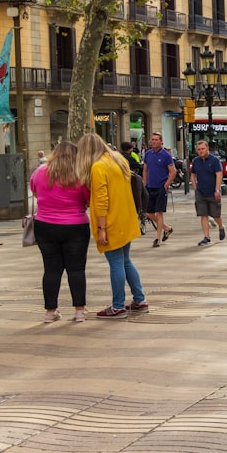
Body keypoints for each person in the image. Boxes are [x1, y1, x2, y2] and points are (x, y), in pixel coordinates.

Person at [76, 133, 147, 319]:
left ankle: (118, 306)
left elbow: (101, 200)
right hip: (126, 217)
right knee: (125, 260)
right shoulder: (118, 161)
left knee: (116, 262)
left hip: (111, 221)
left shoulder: (98, 167)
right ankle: (139, 300)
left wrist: (101, 229)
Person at [30, 141, 90, 323]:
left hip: (45, 225)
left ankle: (50, 311)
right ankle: (79, 311)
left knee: (51, 269)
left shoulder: (40, 172)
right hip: (75, 226)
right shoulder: (80, 174)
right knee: (76, 269)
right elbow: (88, 199)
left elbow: (35, 191)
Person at [142, 132, 176, 247]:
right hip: (150, 187)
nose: (154, 142)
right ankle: (166, 228)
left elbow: (173, 172)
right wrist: (145, 183)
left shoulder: (166, 155)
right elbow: (145, 169)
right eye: (152, 140)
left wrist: (165, 185)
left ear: (161, 141)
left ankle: (158, 238)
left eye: (156, 140)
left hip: (160, 187)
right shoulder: (148, 154)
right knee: (149, 213)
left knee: (159, 212)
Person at [190, 139, 226, 246]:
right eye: (199, 149)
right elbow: (193, 174)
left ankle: (221, 227)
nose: (201, 151)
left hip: (212, 192)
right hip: (201, 192)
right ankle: (206, 237)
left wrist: (217, 190)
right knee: (203, 215)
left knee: (216, 215)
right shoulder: (196, 161)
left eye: (203, 149)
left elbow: (219, 175)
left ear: (207, 149)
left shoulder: (215, 160)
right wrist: (195, 187)